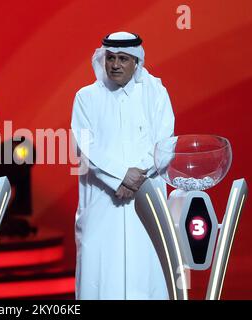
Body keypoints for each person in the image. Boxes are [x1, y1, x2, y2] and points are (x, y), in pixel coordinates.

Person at [71, 32, 175, 299]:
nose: (115, 64)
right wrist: (120, 177)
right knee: (100, 277)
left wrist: (135, 178)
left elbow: (164, 142)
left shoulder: (156, 93)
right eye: (110, 58)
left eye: (123, 59)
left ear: (136, 62)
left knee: (148, 272)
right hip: (102, 204)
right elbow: (85, 147)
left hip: (146, 199)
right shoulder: (87, 97)